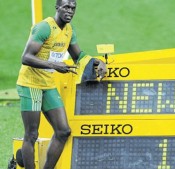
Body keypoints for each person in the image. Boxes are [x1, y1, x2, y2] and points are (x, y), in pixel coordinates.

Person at [16, 0, 107, 168]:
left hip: (48, 85)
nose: (70, 11)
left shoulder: (69, 30)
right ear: (57, 7)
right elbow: (26, 57)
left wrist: (97, 61)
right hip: (31, 85)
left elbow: (78, 56)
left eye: (73, 8)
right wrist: (55, 66)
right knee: (31, 134)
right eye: (66, 7)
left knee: (63, 131)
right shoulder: (44, 28)